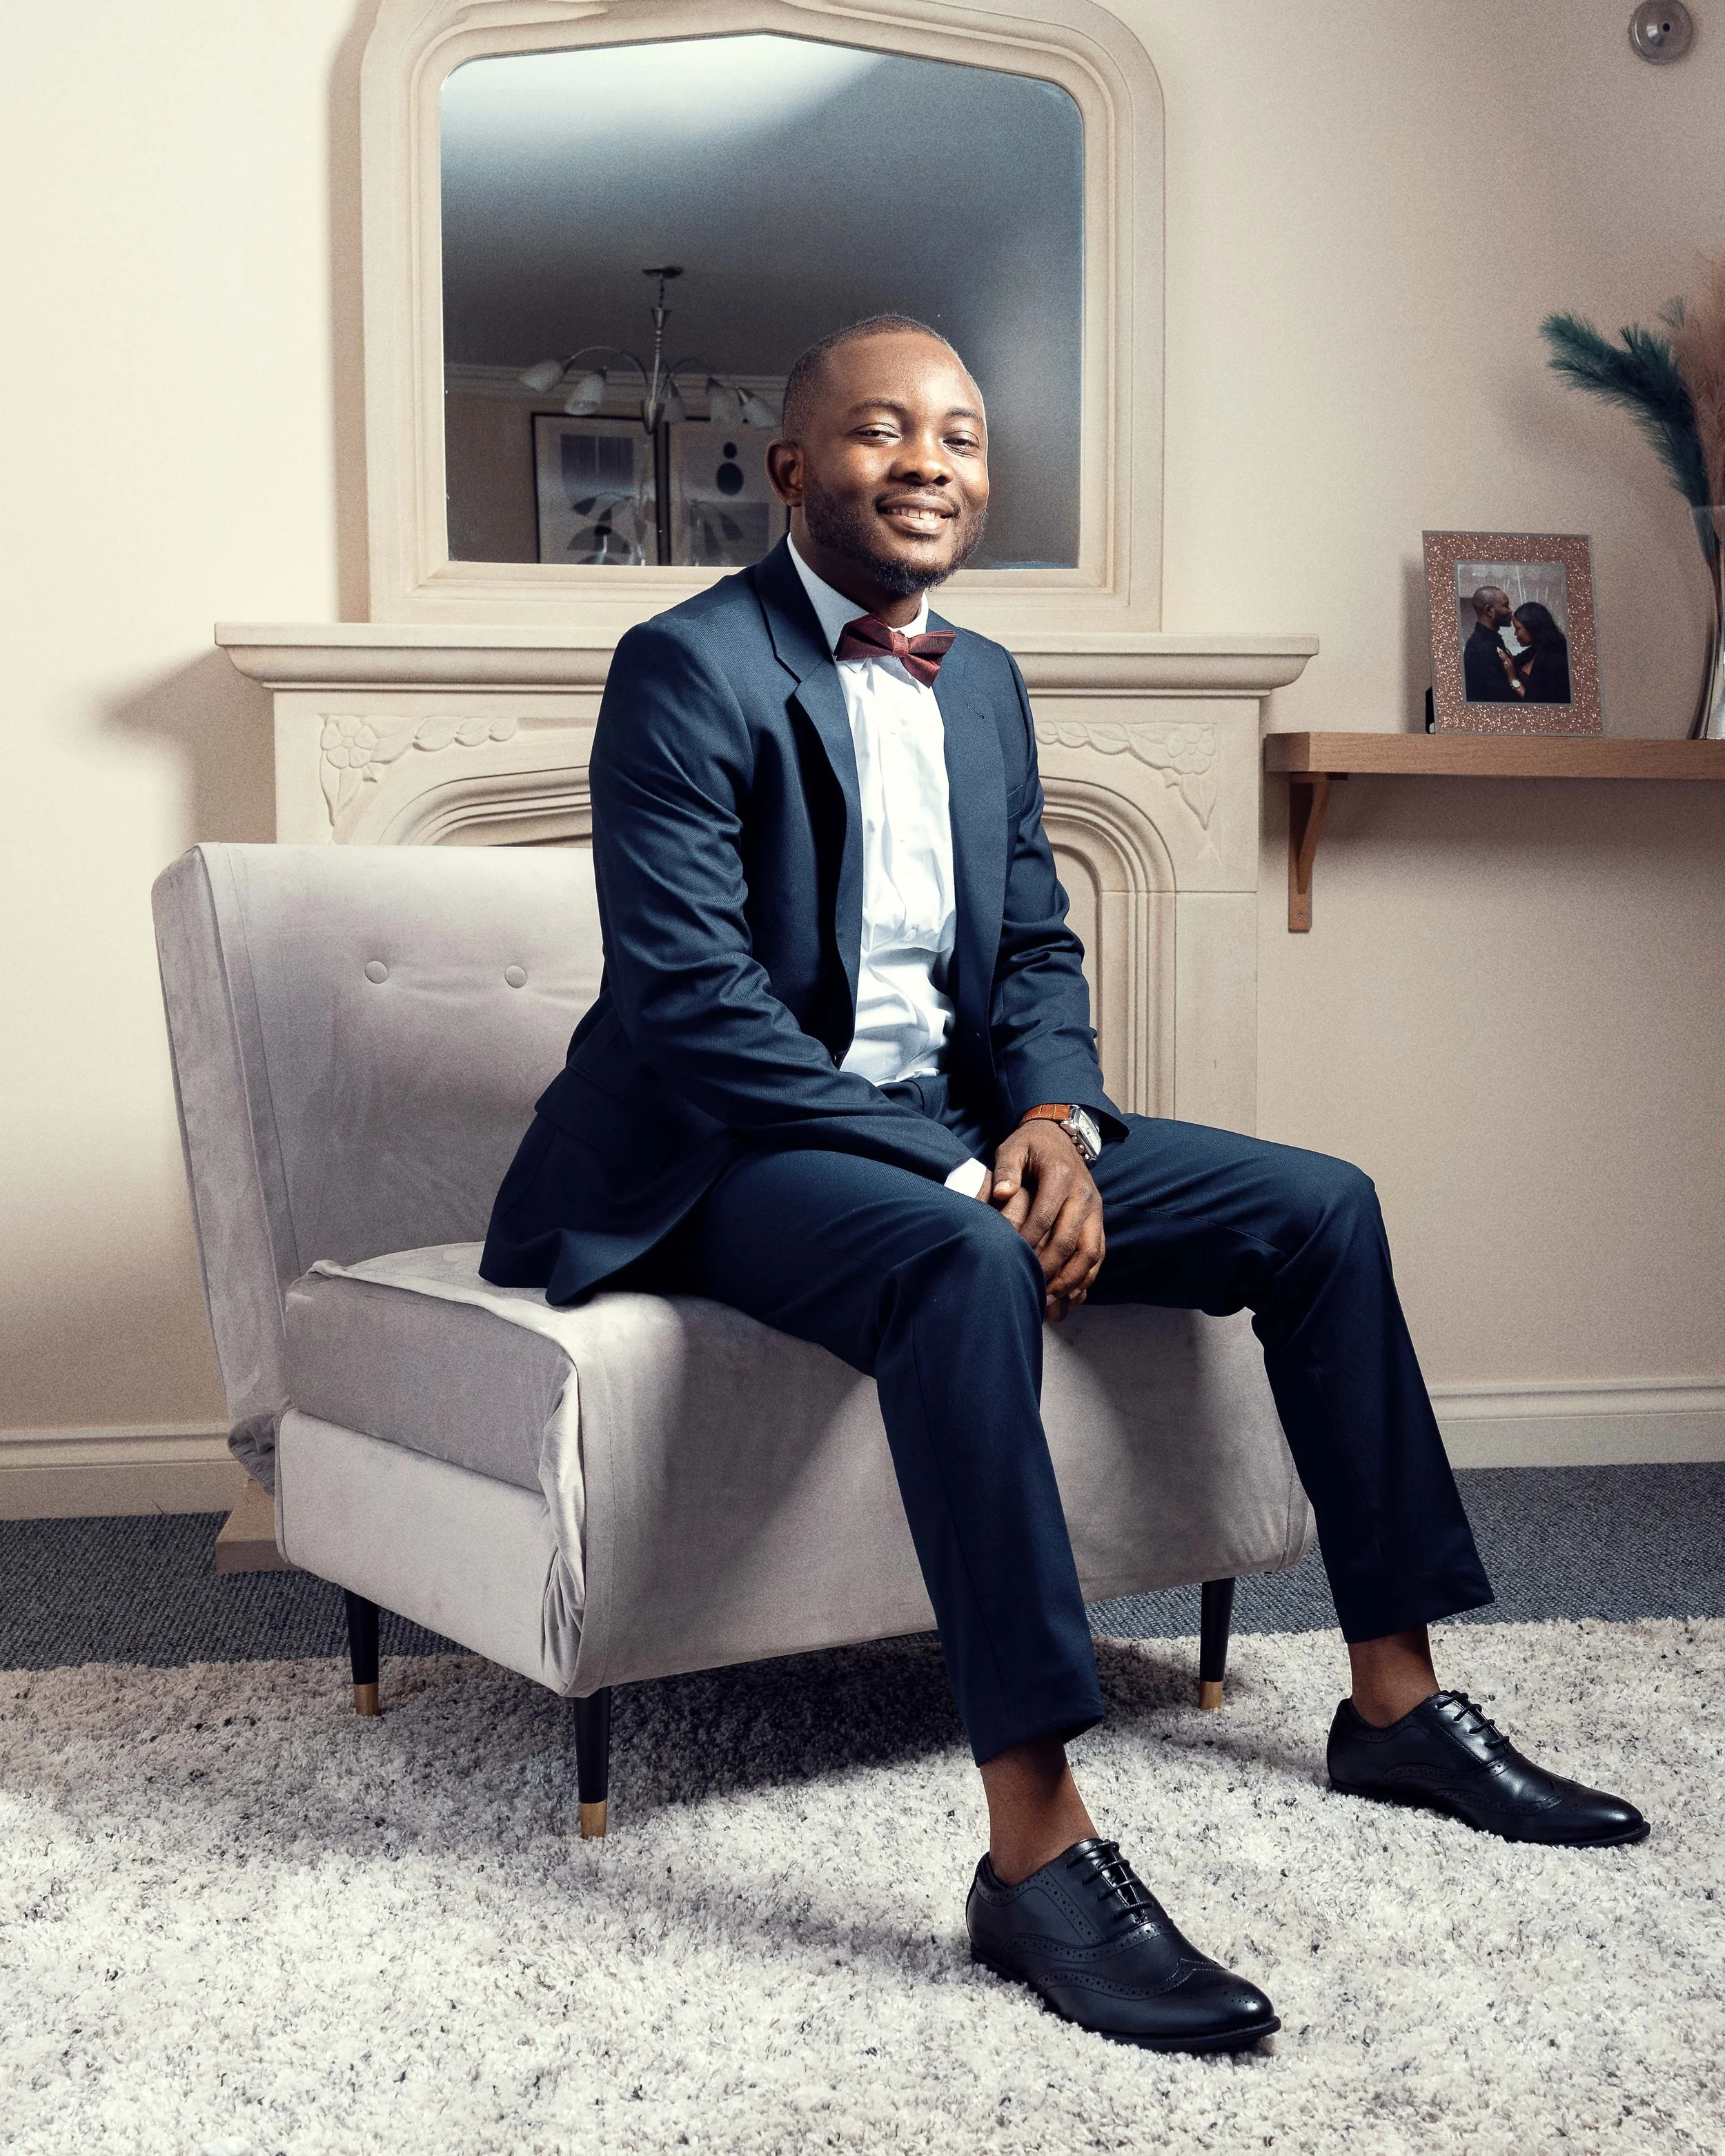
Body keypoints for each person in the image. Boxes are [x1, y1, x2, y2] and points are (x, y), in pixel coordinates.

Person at [482, 317, 1646, 2055]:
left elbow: (1032, 938)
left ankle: (1394, 1702)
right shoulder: (685, 668)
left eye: (956, 431)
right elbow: (690, 1007)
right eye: (879, 430)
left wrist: (1052, 1123)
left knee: (1318, 1202)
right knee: (966, 1261)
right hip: (721, 1149)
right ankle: (1035, 1851)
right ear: (794, 470)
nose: (928, 459)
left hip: (955, 1122)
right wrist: (968, 1171)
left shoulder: (993, 680)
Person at [1509, 600, 1573, 704]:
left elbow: (1539, 703)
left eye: (1518, 629)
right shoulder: (1535, 650)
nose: (1515, 634)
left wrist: (1513, 680)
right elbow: (1516, 661)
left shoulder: (1556, 659)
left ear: (1532, 628)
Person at [1463, 584, 1518, 701]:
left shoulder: (1489, 640)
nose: (1510, 610)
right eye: (1505, 606)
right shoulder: (1481, 648)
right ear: (1489, 611)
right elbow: (1499, 696)